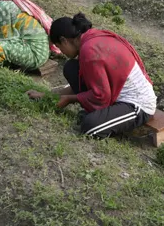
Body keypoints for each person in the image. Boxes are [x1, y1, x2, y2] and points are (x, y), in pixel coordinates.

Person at [26, 13, 156, 138]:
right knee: (71, 68)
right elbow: (92, 84)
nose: (62, 52)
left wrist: (70, 99)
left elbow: (101, 96)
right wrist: (48, 95)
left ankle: (108, 118)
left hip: (137, 104)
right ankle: (105, 114)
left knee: (90, 126)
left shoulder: (89, 51)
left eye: (59, 47)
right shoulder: (90, 38)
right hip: (113, 93)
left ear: (64, 40)